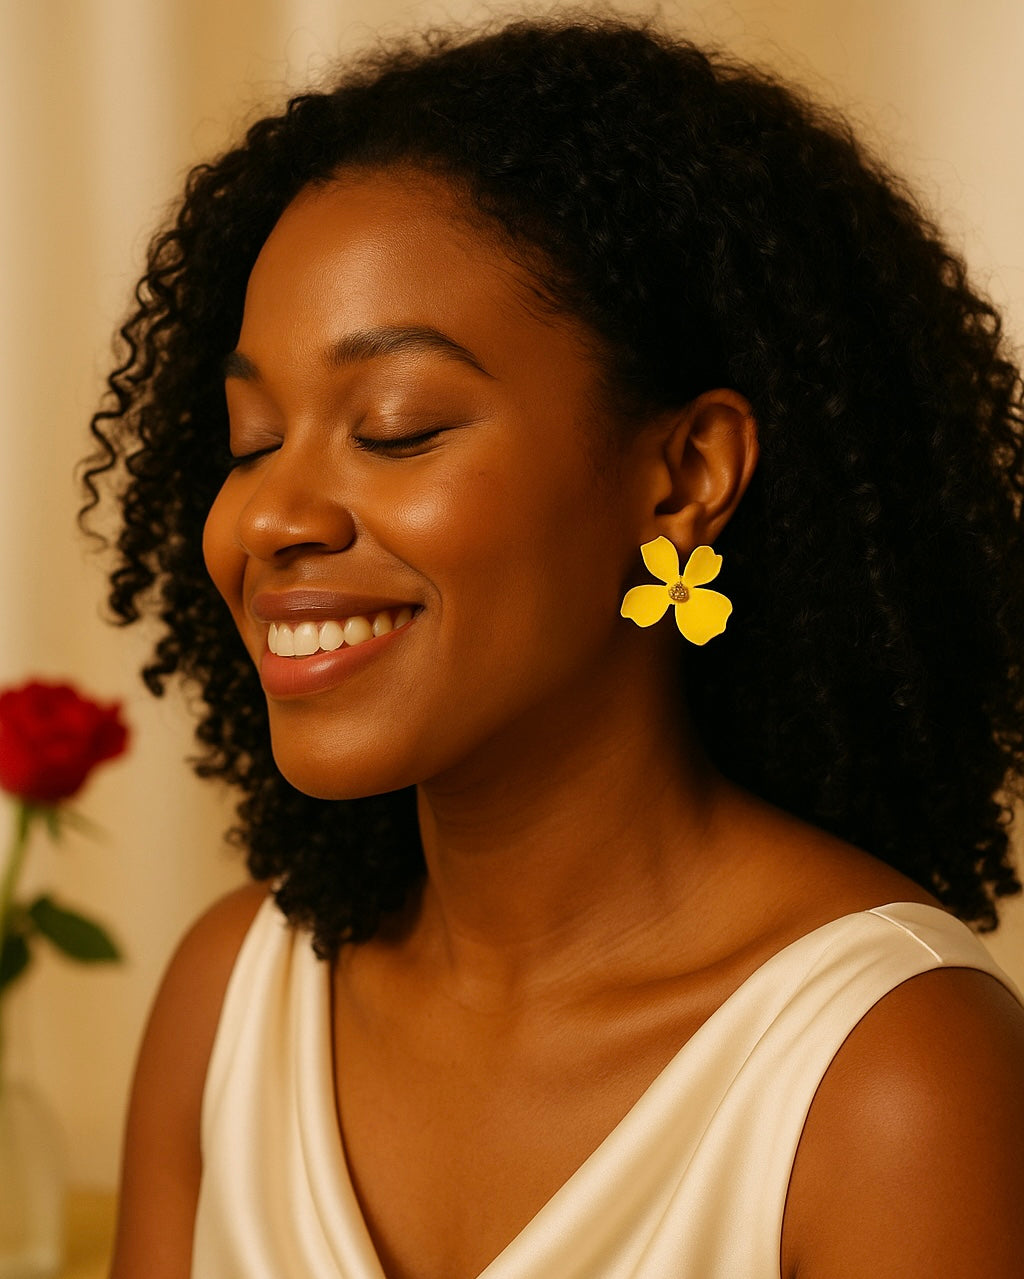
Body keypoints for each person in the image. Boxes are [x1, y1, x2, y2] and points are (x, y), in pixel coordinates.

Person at [82, 15, 1024, 1279]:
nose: (270, 517)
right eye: (252, 439)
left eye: (398, 427)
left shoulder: (890, 1078)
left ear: (683, 475)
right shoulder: (232, 998)